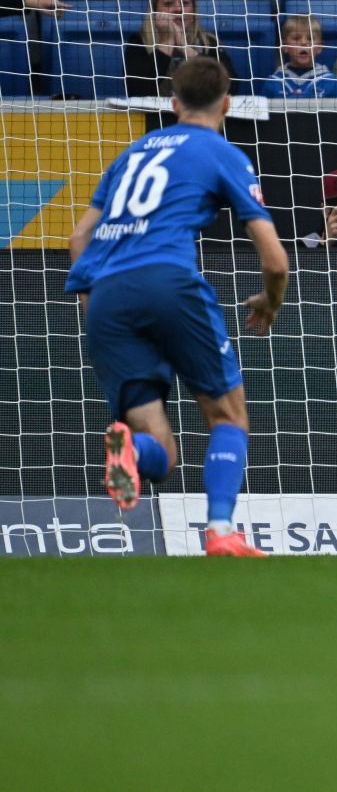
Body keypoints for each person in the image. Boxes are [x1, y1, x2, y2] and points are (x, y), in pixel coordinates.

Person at [67, 57, 288, 557]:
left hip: (108, 297)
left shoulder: (129, 155)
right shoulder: (220, 150)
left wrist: (93, 302)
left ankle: (129, 451)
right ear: (227, 103)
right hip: (168, 283)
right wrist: (269, 304)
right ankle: (220, 531)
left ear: (174, 102)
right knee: (228, 416)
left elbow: (79, 237)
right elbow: (275, 260)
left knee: (161, 456)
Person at [125, 0, 236, 98]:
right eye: (168, 3)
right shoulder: (139, 41)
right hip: (156, 115)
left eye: (185, 3)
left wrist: (186, 49)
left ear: (193, 12)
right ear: (154, 11)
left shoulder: (209, 42)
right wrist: (166, 42)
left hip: (200, 113)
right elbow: (137, 91)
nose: (178, 9)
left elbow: (231, 87)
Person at [260, 14, 337, 99]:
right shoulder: (274, 82)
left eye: (310, 38)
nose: (304, 43)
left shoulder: (331, 82)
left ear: (319, 47)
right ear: (285, 46)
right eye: (296, 38)